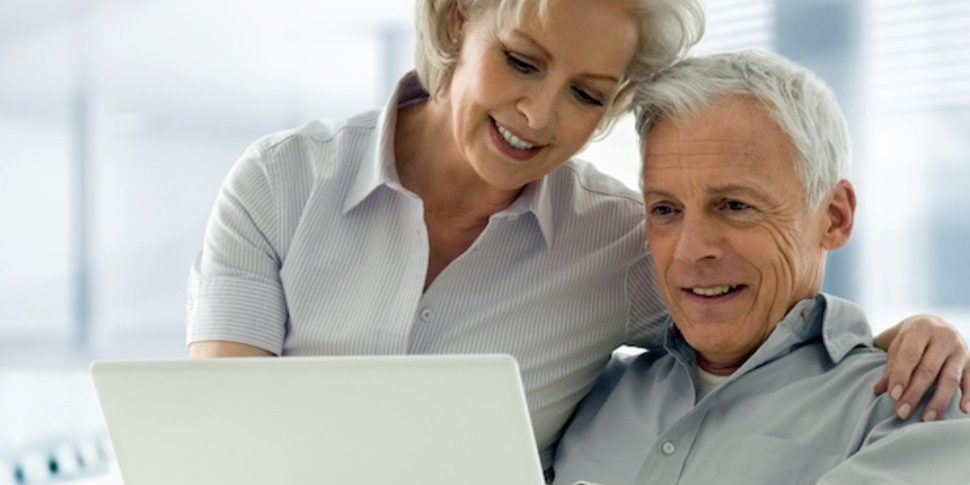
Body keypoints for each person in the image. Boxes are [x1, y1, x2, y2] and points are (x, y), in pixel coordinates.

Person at [185, 0, 969, 470]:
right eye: (522, 61)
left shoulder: (621, 239)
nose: (539, 116)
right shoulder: (282, 183)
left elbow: (763, 308)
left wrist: (915, 337)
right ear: (462, 17)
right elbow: (212, 439)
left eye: (587, 94)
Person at [551, 50, 970, 485]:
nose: (691, 251)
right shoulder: (593, 393)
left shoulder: (920, 404)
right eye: (665, 209)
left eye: (734, 205)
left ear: (834, 217)